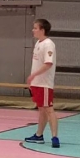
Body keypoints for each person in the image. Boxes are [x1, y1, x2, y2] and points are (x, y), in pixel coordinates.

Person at [24, 18, 59, 148]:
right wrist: (33, 80)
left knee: (49, 109)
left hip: (44, 84)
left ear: (42, 30)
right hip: (37, 83)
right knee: (42, 110)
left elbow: (48, 64)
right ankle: (39, 135)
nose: (33, 30)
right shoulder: (38, 43)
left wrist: (33, 75)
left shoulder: (48, 44)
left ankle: (55, 137)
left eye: (35, 28)